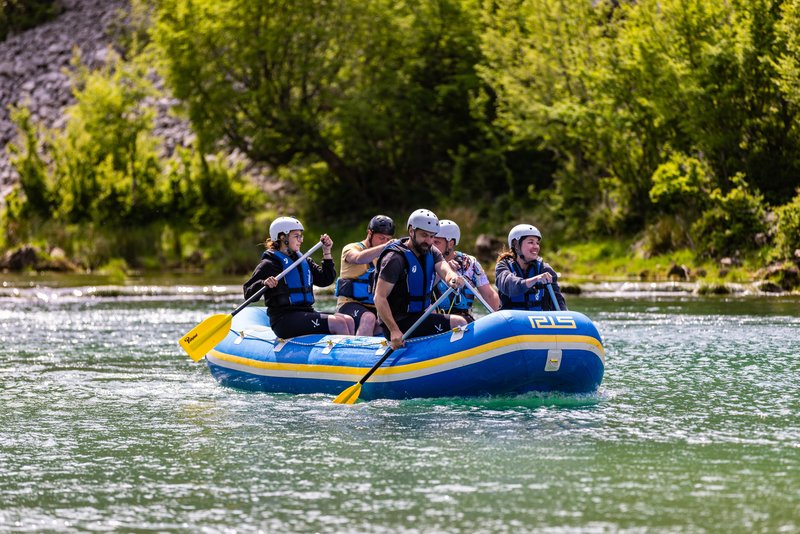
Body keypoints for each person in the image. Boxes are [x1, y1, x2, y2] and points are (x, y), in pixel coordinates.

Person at [243, 216, 355, 338]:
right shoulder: (269, 264)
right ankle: (346, 354)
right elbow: (248, 293)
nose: (301, 240)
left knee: (348, 320)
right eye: (296, 236)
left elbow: (325, 280)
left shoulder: (303, 260)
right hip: (284, 320)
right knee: (338, 323)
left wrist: (327, 252)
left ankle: (351, 352)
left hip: (306, 313)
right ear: (282, 237)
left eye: (301, 236)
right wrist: (264, 283)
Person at [373, 209, 468, 349]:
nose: (429, 241)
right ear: (411, 231)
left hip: (419, 317)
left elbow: (443, 268)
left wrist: (452, 278)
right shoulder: (394, 259)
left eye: (432, 236)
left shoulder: (431, 251)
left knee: (462, 322)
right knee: (458, 323)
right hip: (398, 322)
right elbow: (379, 298)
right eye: (424, 235)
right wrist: (394, 330)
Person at [334, 215, 396, 335]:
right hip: (348, 304)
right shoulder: (351, 248)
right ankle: (357, 351)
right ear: (370, 233)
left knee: (392, 320)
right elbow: (358, 258)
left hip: (374, 306)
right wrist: (385, 246)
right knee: (369, 318)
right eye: (381, 238)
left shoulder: (386, 257)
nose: (385, 242)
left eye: (388, 239)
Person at [431, 219, 500, 322]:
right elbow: (420, 292)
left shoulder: (470, 263)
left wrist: (501, 317)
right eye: (432, 241)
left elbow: (489, 295)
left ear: (450, 243)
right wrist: (442, 273)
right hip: (436, 320)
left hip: (465, 320)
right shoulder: (426, 261)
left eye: (437, 242)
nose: (432, 247)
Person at [495, 223, 567, 311]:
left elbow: (559, 303)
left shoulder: (545, 269)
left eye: (537, 243)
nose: (536, 246)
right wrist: (535, 279)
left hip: (539, 322)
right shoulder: (503, 266)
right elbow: (510, 287)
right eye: (531, 242)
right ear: (516, 245)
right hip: (512, 322)